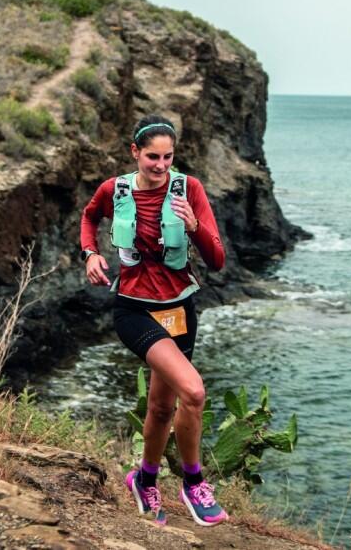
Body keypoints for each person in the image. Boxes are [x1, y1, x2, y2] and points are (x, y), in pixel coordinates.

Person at [80, 115, 228, 527]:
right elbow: (89, 217)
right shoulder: (115, 190)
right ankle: (193, 482)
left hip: (181, 309)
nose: (160, 166)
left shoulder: (190, 190)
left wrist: (195, 227)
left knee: (163, 406)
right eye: (151, 157)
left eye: (168, 157)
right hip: (134, 310)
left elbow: (216, 260)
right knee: (194, 392)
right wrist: (90, 253)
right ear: (134, 152)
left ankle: (144, 479)